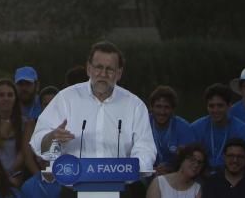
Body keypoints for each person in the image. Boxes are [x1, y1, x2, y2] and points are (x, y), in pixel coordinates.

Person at [31, 41, 157, 186]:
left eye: (110, 69)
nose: (103, 74)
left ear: (119, 73)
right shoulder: (66, 99)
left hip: (121, 188)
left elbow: (146, 148)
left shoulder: (134, 105)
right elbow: (37, 143)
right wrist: (52, 137)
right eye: (98, 67)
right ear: (89, 68)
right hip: (73, 188)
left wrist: (131, 168)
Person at [0, 79, 36, 184]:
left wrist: (7, 174)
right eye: (1, 95)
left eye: (10, 95)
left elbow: (23, 154)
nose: (6, 98)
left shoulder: (26, 123)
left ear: (15, 98)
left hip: (14, 175)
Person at [190, 84, 245, 171]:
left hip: (231, 174)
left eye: (220, 106)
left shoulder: (242, 130)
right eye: (211, 106)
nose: (215, 110)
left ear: (229, 105)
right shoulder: (195, 128)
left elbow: (244, 161)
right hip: (202, 173)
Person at [147, 87, 197, 175]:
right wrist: (150, 169)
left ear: (173, 109)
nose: (162, 112)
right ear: (151, 107)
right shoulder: (142, 123)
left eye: (167, 107)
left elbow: (191, 159)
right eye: (158, 106)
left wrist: (171, 168)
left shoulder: (184, 127)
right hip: (147, 172)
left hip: (174, 174)